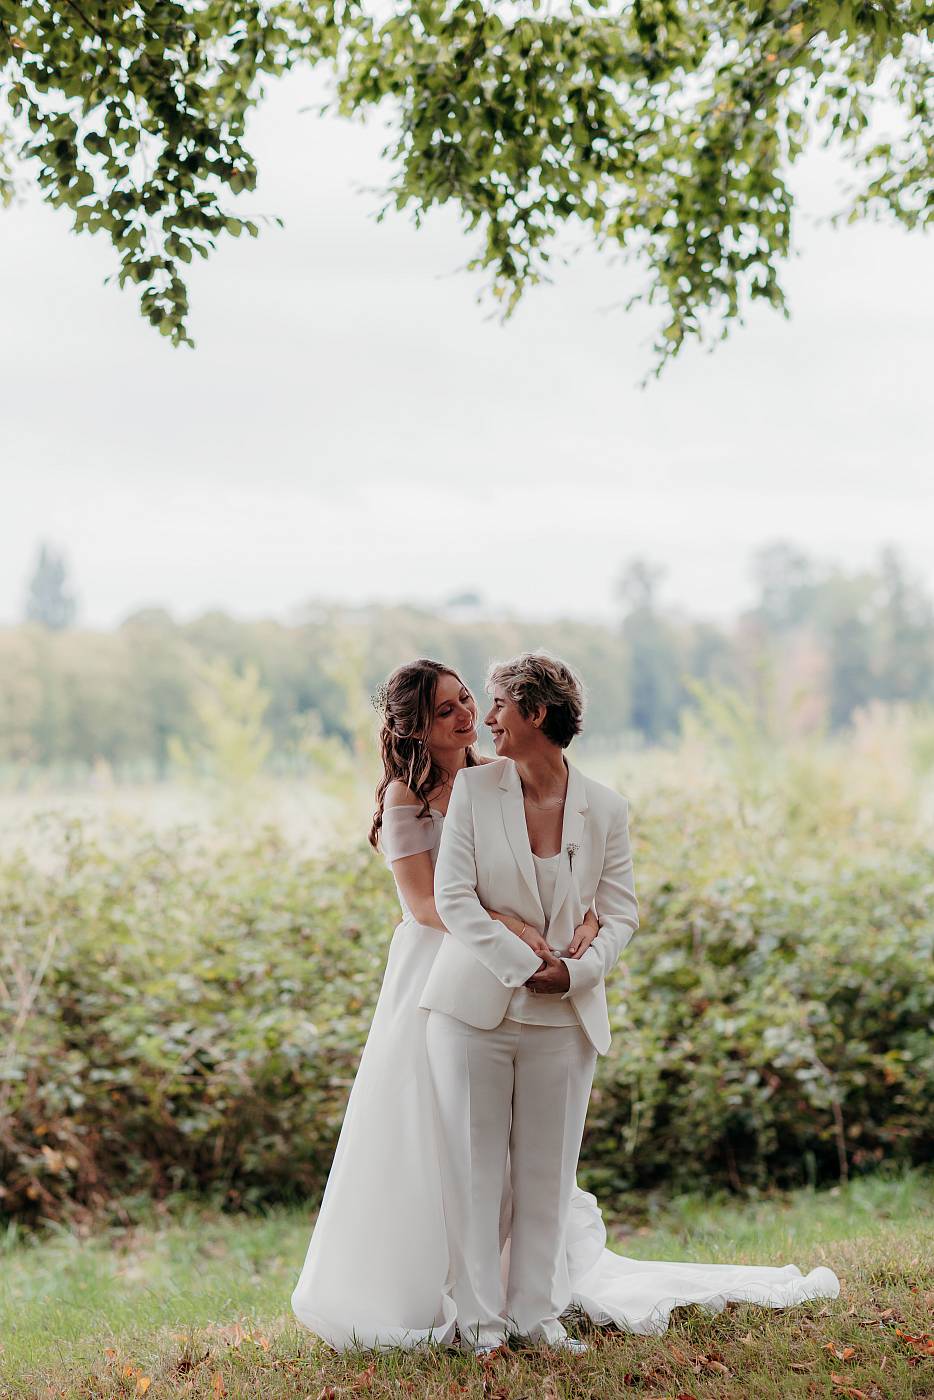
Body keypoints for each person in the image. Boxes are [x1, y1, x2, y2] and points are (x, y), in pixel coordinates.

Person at [291, 654, 839, 1352]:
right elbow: (432, 903)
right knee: (448, 1155)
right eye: (448, 709)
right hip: (449, 973)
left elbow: (597, 892)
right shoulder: (426, 794)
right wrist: (522, 941)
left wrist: (577, 945)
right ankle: (453, 1308)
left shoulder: (537, 785)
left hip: (547, 990)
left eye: (472, 701)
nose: (471, 716)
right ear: (417, 729)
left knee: (539, 1171)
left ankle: (532, 1307)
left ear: (534, 713)